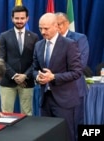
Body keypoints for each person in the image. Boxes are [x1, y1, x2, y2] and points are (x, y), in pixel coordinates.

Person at [32, 13, 82, 141]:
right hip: (45, 99)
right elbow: (34, 69)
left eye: (46, 28)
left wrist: (53, 77)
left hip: (64, 100)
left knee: (66, 135)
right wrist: (37, 77)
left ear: (56, 26)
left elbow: (76, 72)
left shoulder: (69, 44)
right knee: (47, 136)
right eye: (40, 28)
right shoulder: (38, 45)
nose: (43, 32)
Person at [0, 6, 39, 115]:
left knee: (27, 114)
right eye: (17, 18)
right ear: (12, 19)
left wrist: (25, 75)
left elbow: (36, 61)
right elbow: (1, 60)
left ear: (27, 18)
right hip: (7, 81)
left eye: (22, 18)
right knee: (6, 114)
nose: (19, 21)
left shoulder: (34, 37)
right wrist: (14, 75)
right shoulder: (4, 36)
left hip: (27, 82)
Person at [55, 12, 89, 141]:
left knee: (75, 126)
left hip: (74, 90)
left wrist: (56, 74)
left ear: (67, 24)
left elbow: (81, 65)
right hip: (55, 91)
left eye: (58, 24)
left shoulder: (79, 38)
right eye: (54, 24)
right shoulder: (50, 40)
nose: (56, 27)